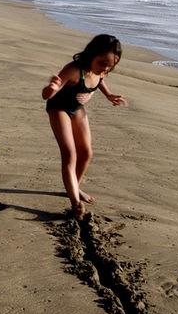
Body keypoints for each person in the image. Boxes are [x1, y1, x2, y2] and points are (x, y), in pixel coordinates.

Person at [42, 33, 128, 217]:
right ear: (91, 55)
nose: (105, 68)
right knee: (70, 153)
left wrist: (109, 95)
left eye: (110, 65)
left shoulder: (102, 70)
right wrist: (51, 88)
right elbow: (47, 94)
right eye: (102, 63)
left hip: (77, 109)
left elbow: (100, 81)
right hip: (59, 108)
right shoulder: (74, 70)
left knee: (86, 152)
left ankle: (74, 186)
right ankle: (75, 202)